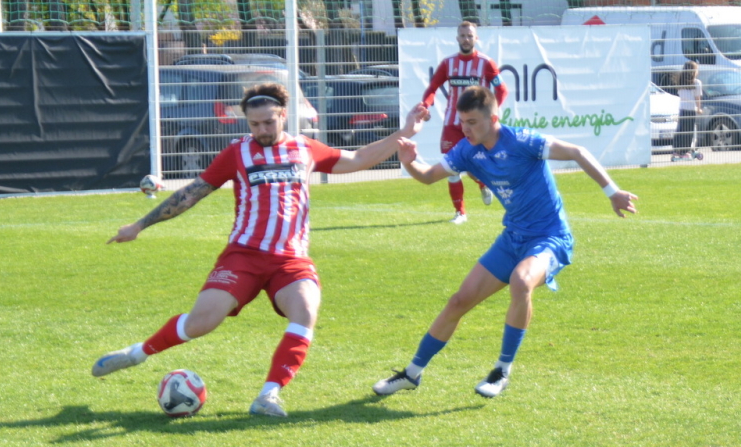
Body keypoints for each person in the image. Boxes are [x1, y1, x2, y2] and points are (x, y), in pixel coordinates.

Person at [92, 83, 428, 417]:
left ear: (283, 115)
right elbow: (190, 193)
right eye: (254, 124)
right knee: (201, 322)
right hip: (244, 256)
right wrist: (140, 225)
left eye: (269, 122)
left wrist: (406, 131)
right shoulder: (237, 153)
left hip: (291, 260)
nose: (262, 130)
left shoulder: (305, 148)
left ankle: (268, 396)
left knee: (305, 312)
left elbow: (358, 158)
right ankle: (137, 353)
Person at [372, 86, 638, 398]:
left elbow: (578, 152)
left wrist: (613, 192)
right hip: (513, 238)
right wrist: (408, 162)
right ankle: (411, 374)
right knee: (459, 301)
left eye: (472, 122)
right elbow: (428, 176)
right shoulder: (466, 150)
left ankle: (502, 371)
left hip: (550, 238)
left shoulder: (522, 141)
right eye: (462, 122)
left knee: (521, 282)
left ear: (494, 118)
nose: (465, 129)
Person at [422, 21, 509, 224]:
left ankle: (483, 183)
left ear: (476, 38)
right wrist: (425, 105)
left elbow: (502, 90)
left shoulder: (486, 63)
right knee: (451, 168)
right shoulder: (448, 63)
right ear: (457, 38)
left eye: (470, 36)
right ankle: (460, 213)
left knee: (474, 165)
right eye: (463, 35)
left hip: (477, 125)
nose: (466, 39)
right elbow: (433, 87)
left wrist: (492, 112)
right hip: (452, 124)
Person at [672, 61, 703, 161]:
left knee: (681, 129)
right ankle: (684, 151)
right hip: (690, 109)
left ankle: (677, 150)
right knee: (688, 131)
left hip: (682, 108)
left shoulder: (680, 81)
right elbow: (697, 97)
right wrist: (699, 108)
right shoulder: (697, 83)